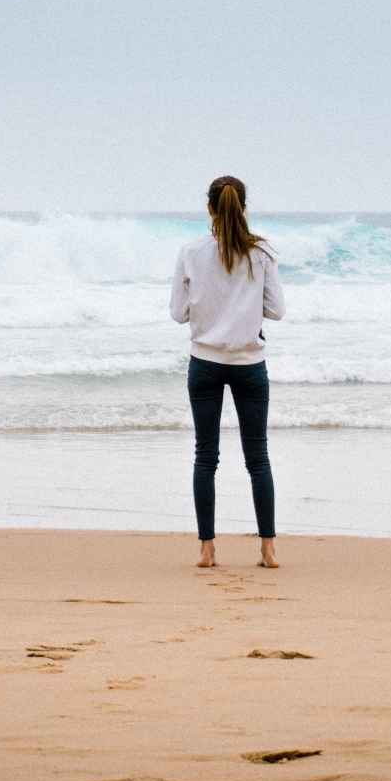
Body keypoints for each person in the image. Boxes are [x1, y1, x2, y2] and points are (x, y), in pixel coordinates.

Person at [169, 175, 286, 569]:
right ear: (244, 207)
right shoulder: (262, 252)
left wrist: (210, 310)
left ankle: (207, 549)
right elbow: (277, 310)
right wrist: (243, 309)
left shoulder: (191, 252)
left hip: (204, 362)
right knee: (258, 458)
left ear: (210, 209)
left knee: (206, 456)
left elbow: (177, 313)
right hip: (250, 364)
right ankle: (268, 549)